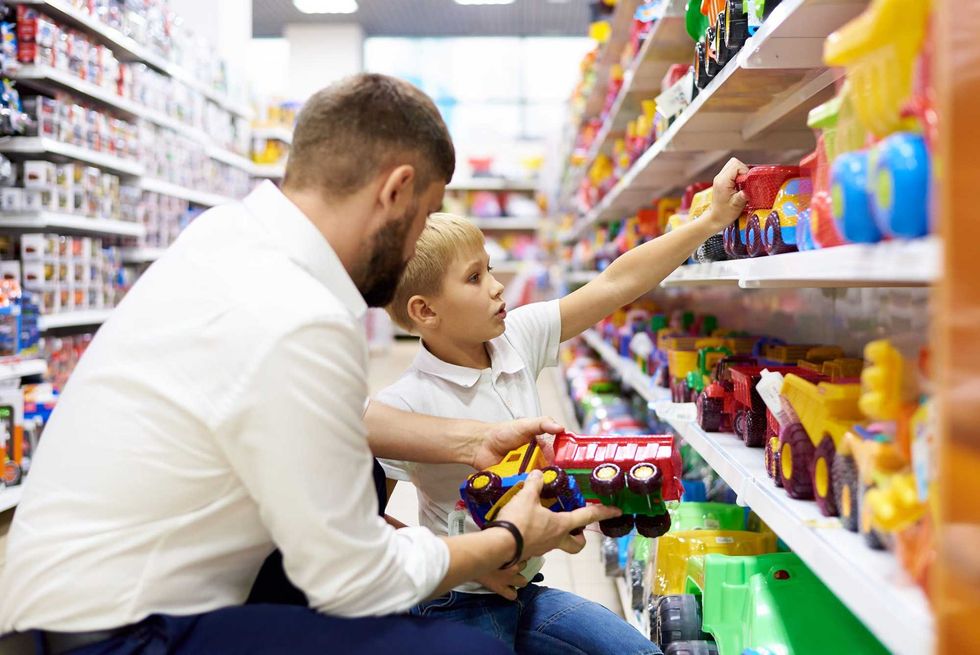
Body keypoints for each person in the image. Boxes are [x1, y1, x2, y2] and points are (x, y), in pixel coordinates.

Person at [0, 73, 621, 655]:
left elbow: (344, 424)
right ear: (396, 190)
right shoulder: (301, 314)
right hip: (121, 634)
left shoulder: (229, 240)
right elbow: (356, 583)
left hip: (59, 599)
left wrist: (473, 442)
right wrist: (508, 539)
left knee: (365, 487)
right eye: (424, 216)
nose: (415, 247)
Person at [375, 158, 749, 654]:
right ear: (425, 311)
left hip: (526, 593)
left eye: (489, 267)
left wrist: (708, 222)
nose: (497, 285)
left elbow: (616, 283)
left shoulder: (517, 338)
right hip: (455, 600)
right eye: (474, 278)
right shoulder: (403, 405)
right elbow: (368, 524)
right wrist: (463, 560)